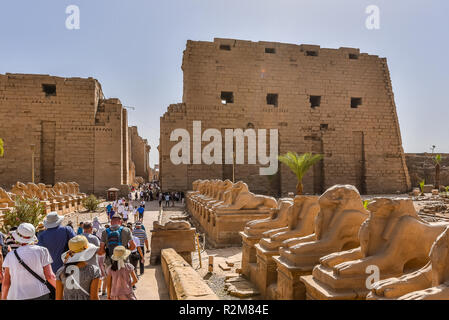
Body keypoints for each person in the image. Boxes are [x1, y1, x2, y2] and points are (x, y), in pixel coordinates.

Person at [2, 223, 56, 300]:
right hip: (40, 293)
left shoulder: (10, 255)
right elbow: (50, 276)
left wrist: (3, 297)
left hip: (16, 296)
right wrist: (61, 291)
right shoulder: (42, 251)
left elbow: (6, 282)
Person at [56, 235, 100, 300]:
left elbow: (58, 298)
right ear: (87, 251)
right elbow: (94, 297)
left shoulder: (60, 271)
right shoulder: (93, 271)